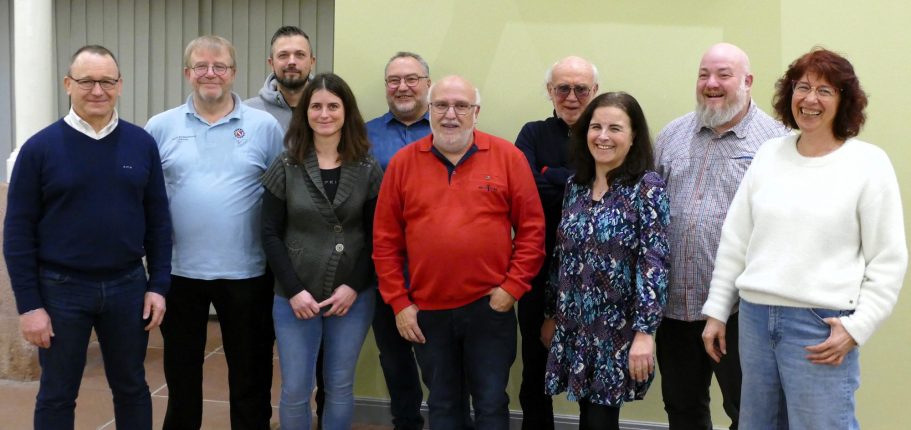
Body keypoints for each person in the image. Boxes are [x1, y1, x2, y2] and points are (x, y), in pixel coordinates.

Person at [702, 47, 907, 429]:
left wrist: (858, 327)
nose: (810, 99)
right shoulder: (768, 155)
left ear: (844, 101)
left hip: (820, 325)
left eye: (824, 91)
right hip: (755, 318)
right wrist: (717, 311)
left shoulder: (868, 164)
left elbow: (889, 260)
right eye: (803, 87)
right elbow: (735, 240)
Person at [3, 45, 171, 430]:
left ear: (120, 85)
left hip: (128, 287)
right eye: (87, 81)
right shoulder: (39, 149)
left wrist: (158, 285)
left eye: (107, 81)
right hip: (61, 290)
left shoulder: (141, 144)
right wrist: (30, 306)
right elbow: (17, 234)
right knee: (57, 393)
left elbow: (159, 221)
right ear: (68, 84)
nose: (98, 90)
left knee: (132, 388)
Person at [373, 75, 545, 429]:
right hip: (428, 311)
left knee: (491, 403)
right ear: (429, 110)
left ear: (476, 112)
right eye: (441, 105)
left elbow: (532, 230)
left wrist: (511, 289)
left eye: (461, 106)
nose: (450, 114)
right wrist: (400, 304)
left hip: (490, 308)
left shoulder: (508, 158)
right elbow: (385, 241)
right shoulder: (403, 164)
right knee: (442, 404)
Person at [145, 35, 284, 430]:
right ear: (187, 73)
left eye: (219, 66)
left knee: (250, 376)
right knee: (181, 377)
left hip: (248, 273)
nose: (210, 73)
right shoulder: (160, 127)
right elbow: (147, 198)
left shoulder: (264, 127)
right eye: (201, 66)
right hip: (179, 273)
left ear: (233, 72)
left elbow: (281, 195)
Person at [653, 42, 788, 430]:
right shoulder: (671, 136)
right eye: (703, 75)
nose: (711, 83)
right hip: (676, 307)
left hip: (740, 312)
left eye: (723, 75)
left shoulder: (776, 143)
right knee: (682, 409)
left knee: (749, 413)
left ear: (747, 81)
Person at [542, 92, 669, 430]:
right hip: (574, 323)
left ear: (633, 136)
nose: (603, 136)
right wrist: (551, 313)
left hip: (617, 329)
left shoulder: (647, 187)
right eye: (596, 127)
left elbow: (654, 262)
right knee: (587, 415)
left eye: (615, 128)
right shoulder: (576, 185)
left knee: (601, 421)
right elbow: (561, 254)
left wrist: (645, 332)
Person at [262, 72, 382, 430]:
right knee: (296, 389)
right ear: (305, 113)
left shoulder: (367, 167)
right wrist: (294, 290)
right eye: (316, 106)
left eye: (333, 106)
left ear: (347, 112)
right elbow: (269, 233)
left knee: (340, 386)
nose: (324, 114)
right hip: (294, 297)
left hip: (352, 296)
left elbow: (377, 236)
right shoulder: (286, 165)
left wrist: (353, 286)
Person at [515, 55, 599, 429]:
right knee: (534, 371)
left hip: (593, 276)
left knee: (591, 375)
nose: (572, 96)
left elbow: (609, 192)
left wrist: (550, 174)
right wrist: (579, 181)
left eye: (581, 88)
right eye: (563, 88)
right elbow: (525, 190)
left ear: (595, 91)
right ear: (550, 91)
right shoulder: (532, 133)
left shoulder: (606, 134)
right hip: (537, 267)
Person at [364, 51, 433, 430]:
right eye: (394, 80)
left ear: (427, 84)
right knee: (394, 359)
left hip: (438, 273)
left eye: (411, 79)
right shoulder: (364, 135)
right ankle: (406, 423)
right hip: (385, 270)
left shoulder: (448, 129)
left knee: (441, 363)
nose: (402, 87)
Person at [245, 25, 316, 130]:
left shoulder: (329, 112)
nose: (292, 62)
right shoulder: (248, 113)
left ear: (312, 62)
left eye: (300, 55)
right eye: (283, 55)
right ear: (271, 64)